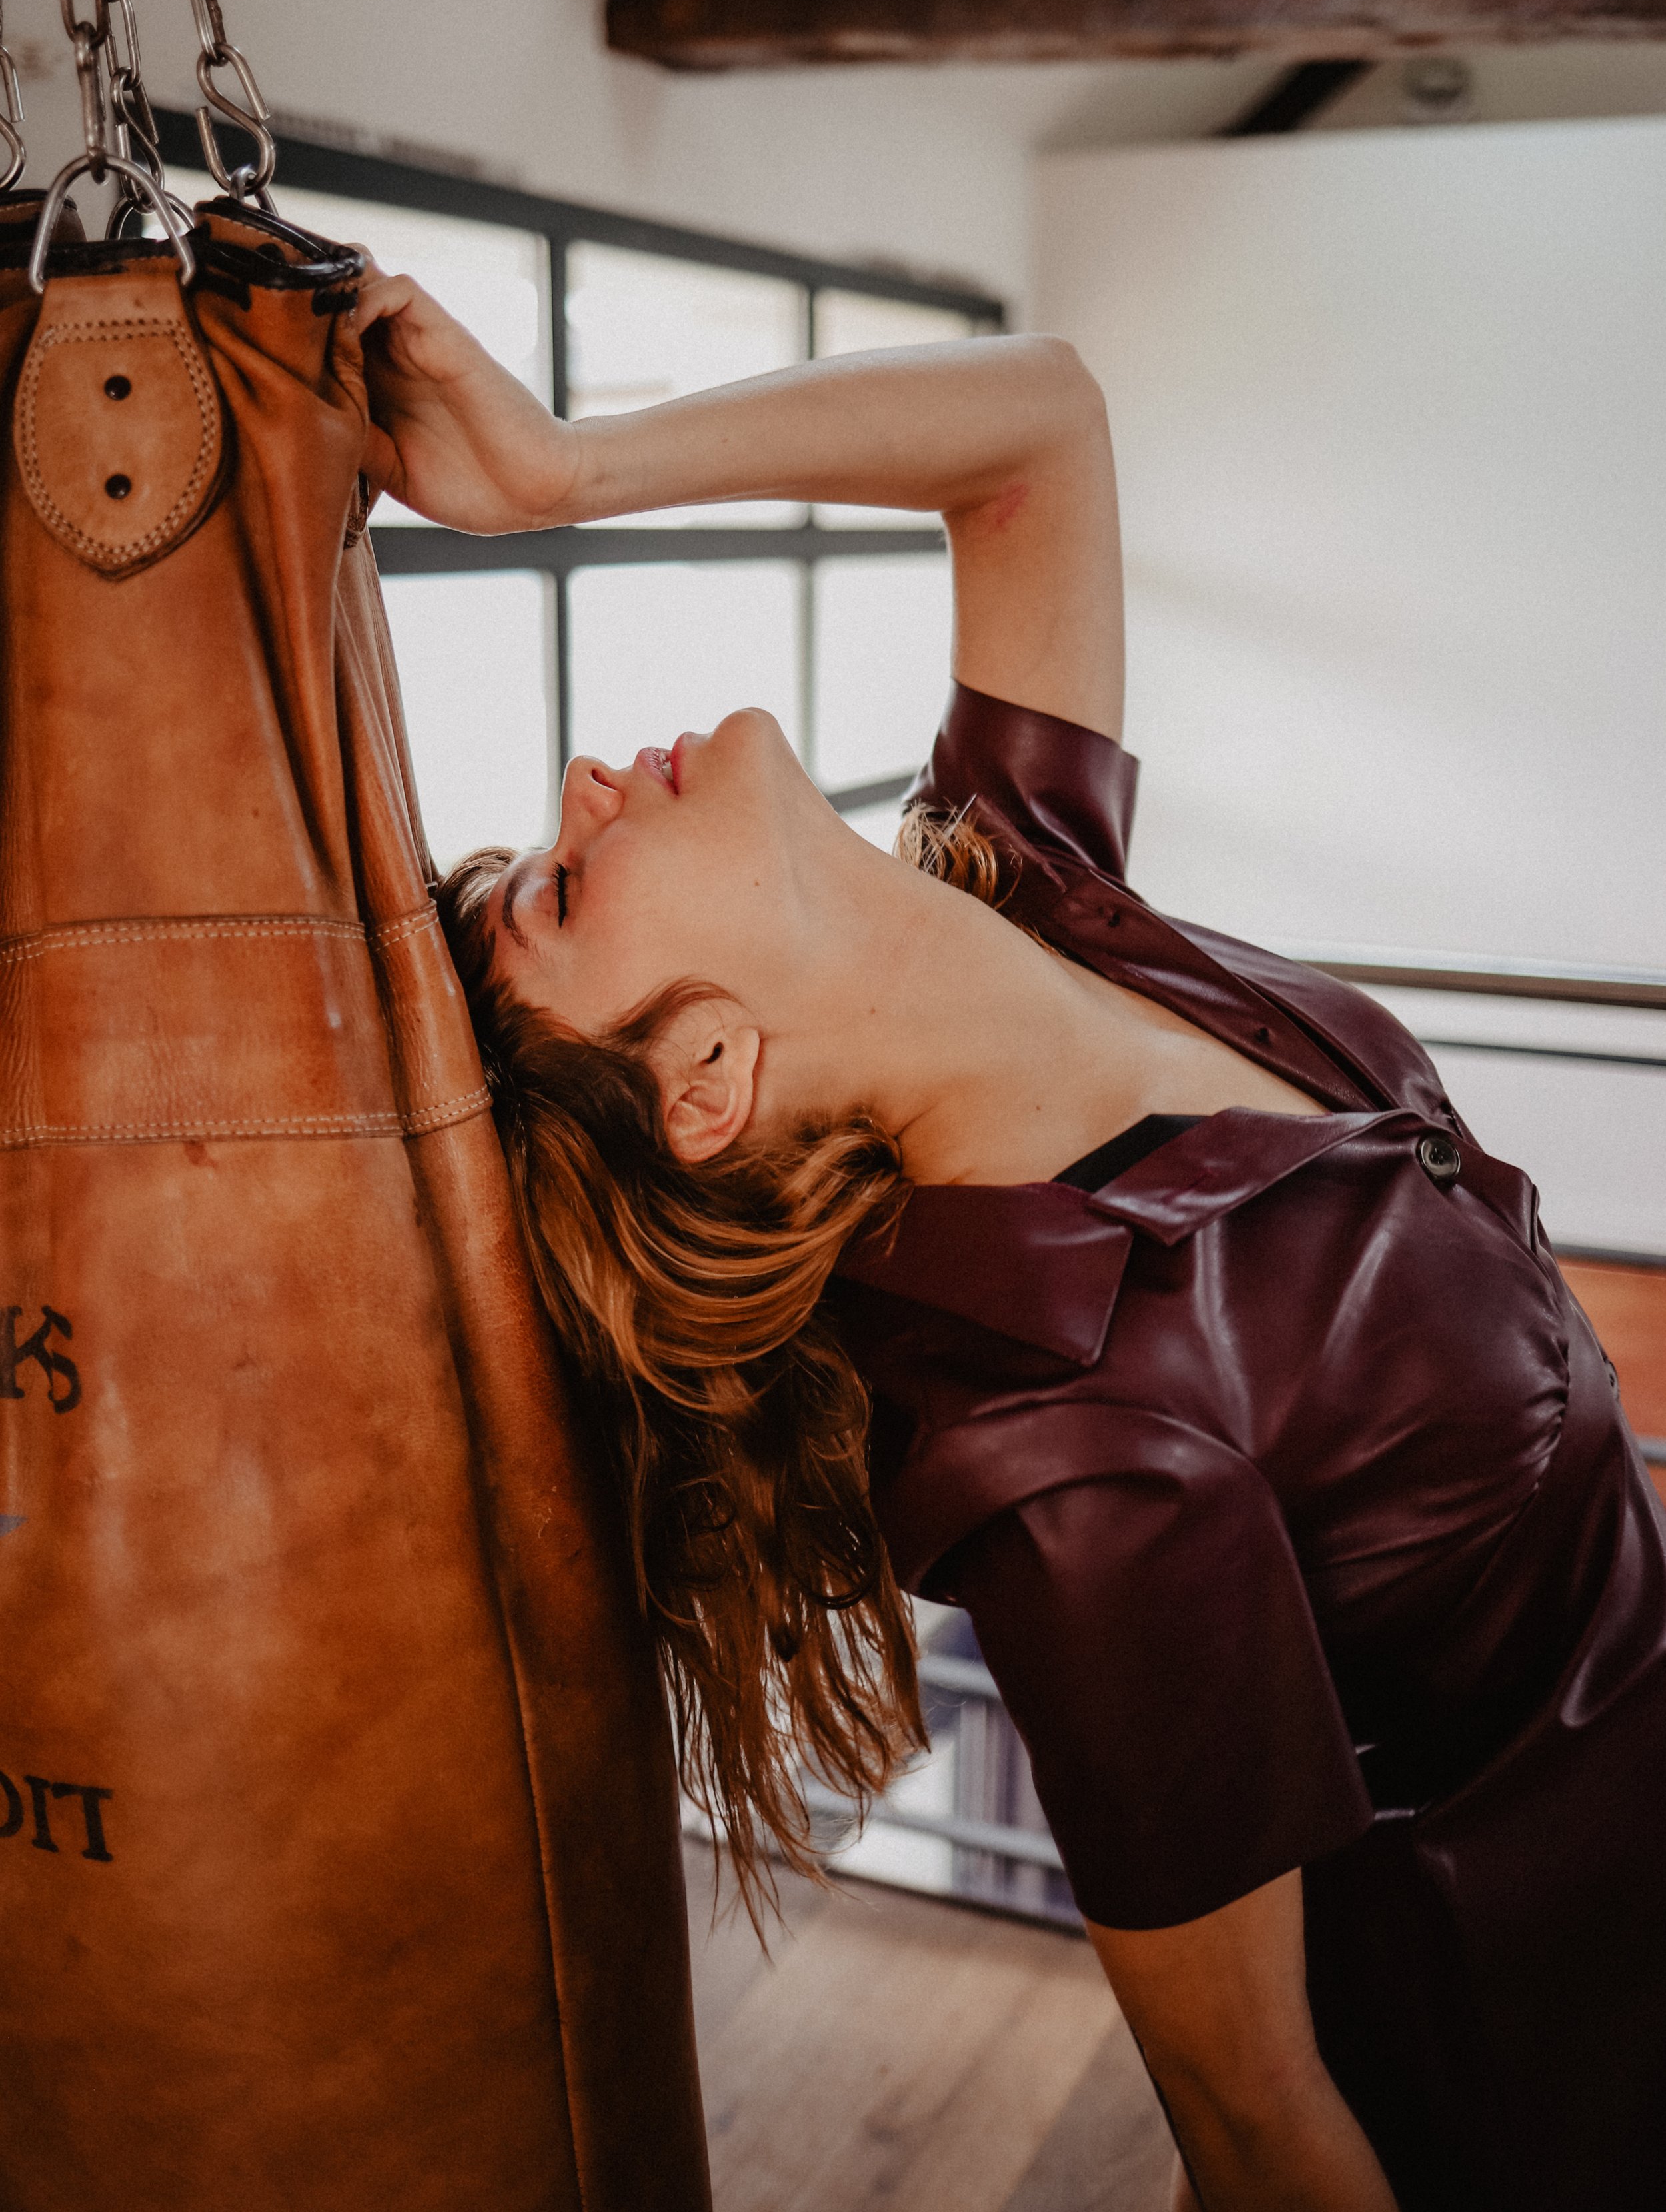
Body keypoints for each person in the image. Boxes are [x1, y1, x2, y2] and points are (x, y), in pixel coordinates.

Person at [353, 265, 1666, 2212]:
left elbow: (1035, 421)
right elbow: (1257, 2126)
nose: (579, 790)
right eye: (565, 883)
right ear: (706, 1069)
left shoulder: (1027, 885)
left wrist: (555, 474)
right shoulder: (1078, 1440)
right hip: (1561, 2075)